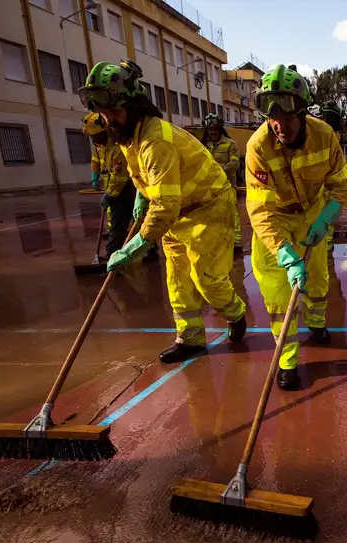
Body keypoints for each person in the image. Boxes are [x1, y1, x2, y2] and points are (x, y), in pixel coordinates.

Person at [78, 59, 247, 364]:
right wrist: (143, 195)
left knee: (205, 277)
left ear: (133, 105)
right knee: (178, 280)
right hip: (178, 211)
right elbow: (144, 174)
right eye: (104, 114)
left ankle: (235, 313)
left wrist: (133, 248)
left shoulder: (155, 139)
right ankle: (191, 337)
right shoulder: (130, 136)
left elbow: (165, 206)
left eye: (114, 111)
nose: (110, 120)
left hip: (207, 206)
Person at [244, 64, 347, 390]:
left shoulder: (324, 135)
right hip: (274, 221)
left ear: (303, 111)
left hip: (313, 214)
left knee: (318, 279)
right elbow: (260, 208)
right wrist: (284, 253)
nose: (280, 125)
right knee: (278, 296)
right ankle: (288, 360)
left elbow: (341, 187)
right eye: (272, 117)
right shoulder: (257, 147)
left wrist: (324, 218)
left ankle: (317, 323)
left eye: (288, 116)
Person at [84, 111, 136, 257]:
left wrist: (109, 194)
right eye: (91, 136)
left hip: (129, 187)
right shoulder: (100, 146)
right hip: (116, 189)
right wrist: (95, 176)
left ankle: (148, 252)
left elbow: (119, 176)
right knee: (118, 225)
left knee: (137, 221)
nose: (93, 139)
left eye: (95, 135)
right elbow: (96, 161)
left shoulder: (118, 147)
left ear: (105, 131)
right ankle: (112, 256)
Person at [200, 113, 243, 252]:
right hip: (210, 187)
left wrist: (218, 172)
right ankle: (217, 240)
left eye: (215, 129)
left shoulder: (230, 144)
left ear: (220, 129)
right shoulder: (203, 146)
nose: (212, 132)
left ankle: (236, 241)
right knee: (212, 214)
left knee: (231, 213)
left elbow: (235, 163)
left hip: (228, 185)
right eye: (209, 130)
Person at [319, 101, 345, 254]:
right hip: (320, 181)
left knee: (326, 215)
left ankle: (327, 245)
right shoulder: (326, 132)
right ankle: (325, 244)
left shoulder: (331, 134)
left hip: (328, 181)